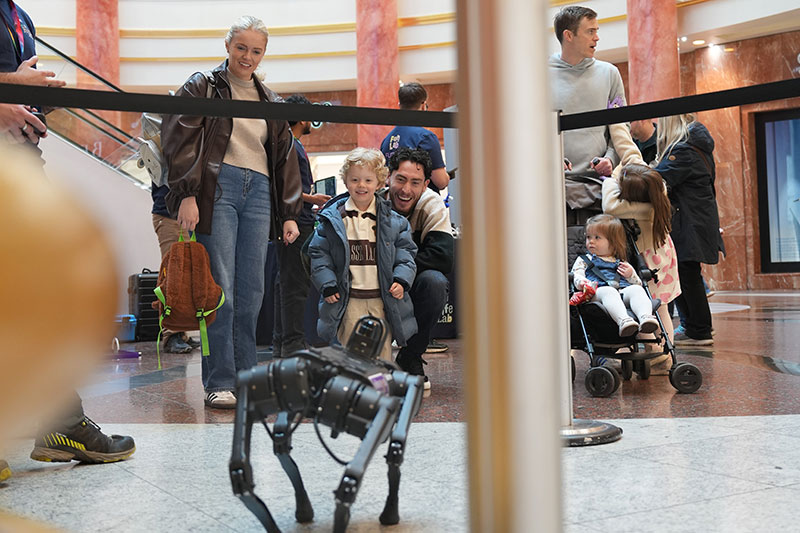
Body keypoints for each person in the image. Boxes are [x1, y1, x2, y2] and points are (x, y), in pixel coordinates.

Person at [0, 1, 135, 469]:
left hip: (20, 157)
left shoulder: (19, 16)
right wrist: (8, 93)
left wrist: (37, 100)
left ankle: (60, 422)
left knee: (34, 295)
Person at [162, 15, 302, 409]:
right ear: (227, 46)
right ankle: (220, 380)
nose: (248, 56)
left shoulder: (270, 100)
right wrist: (187, 195)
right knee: (219, 287)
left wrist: (289, 212)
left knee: (252, 290)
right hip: (216, 187)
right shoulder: (202, 86)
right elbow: (180, 142)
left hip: (258, 192)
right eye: (241, 47)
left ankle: (246, 378)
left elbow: (284, 161)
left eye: (256, 50)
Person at [309, 148, 417, 361]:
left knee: (382, 354)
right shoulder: (332, 220)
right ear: (346, 181)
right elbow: (319, 254)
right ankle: (357, 392)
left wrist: (402, 280)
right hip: (349, 300)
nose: (361, 185)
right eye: (355, 179)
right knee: (353, 354)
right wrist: (327, 283)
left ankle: (380, 391)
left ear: (379, 183)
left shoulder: (395, 222)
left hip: (382, 299)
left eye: (368, 180)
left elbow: (406, 254)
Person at [550, 5, 625, 263]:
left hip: (598, 190)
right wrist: (549, 159)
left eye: (597, 30)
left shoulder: (610, 73)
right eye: (590, 31)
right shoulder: (538, 75)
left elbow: (619, 130)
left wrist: (611, 159)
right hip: (553, 189)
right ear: (568, 35)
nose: (597, 37)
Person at [382, 147, 454, 389]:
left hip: (408, 283)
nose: (405, 190)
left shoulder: (432, 204)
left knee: (435, 282)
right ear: (387, 177)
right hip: (371, 282)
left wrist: (399, 274)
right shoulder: (370, 199)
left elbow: (442, 258)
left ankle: (411, 355)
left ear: (425, 186)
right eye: (400, 179)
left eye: (415, 182)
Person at [654, 113, 725, 346]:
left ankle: (699, 330)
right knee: (687, 271)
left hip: (690, 222)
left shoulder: (683, 151)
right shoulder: (697, 147)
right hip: (696, 219)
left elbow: (657, 178)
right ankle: (695, 326)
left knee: (687, 272)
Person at [603, 163, 681, 373]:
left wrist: (613, 174)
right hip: (664, 257)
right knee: (661, 307)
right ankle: (665, 353)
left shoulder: (637, 209)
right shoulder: (658, 192)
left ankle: (653, 352)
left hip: (646, 263)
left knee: (646, 309)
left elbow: (609, 204)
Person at [272, 93, 331, 358]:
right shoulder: (291, 146)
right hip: (296, 222)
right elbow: (285, 186)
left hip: (298, 218)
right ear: (303, 118)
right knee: (294, 286)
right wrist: (312, 198)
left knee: (286, 285)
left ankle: (282, 342)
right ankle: (293, 345)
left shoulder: (290, 144)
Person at [572, 214, 660, 338]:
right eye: (588, 237)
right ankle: (624, 320)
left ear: (613, 243)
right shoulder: (584, 260)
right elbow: (577, 274)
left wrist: (630, 275)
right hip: (597, 294)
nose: (591, 241)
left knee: (637, 290)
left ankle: (645, 317)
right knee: (608, 291)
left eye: (597, 237)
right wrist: (582, 282)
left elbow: (637, 283)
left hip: (620, 292)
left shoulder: (620, 262)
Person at [151, 183, 197, 354]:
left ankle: (181, 332)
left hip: (181, 214)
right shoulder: (171, 155)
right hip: (169, 214)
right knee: (173, 277)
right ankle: (171, 334)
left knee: (184, 277)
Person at [380, 82, 449, 192]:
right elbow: (441, 182)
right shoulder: (426, 137)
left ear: (399, 105)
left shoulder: (387, 140)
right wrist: (447, 177)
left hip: (393, 206)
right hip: (421, 206)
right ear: (423, 106)